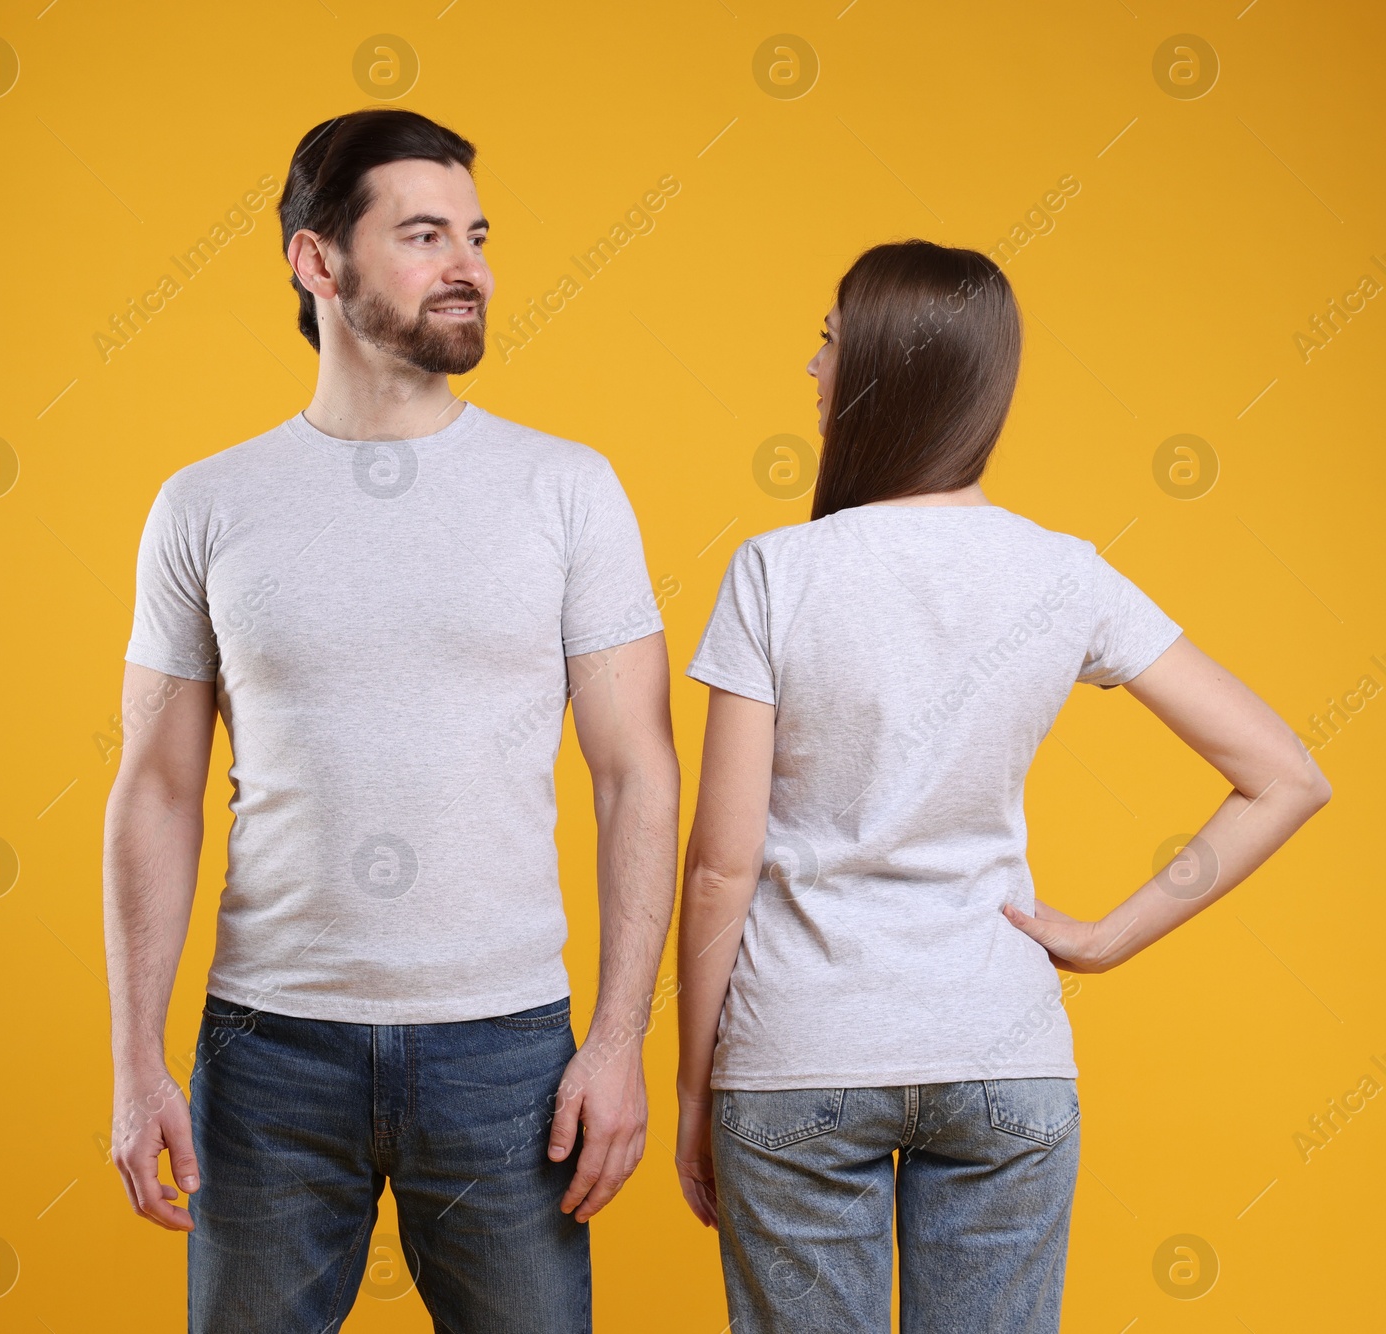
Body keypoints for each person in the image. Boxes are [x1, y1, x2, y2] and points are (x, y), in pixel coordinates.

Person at [673, 239, 1330, 1332]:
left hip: (799, 1053)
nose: (810, 368)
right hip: (1002, 1053)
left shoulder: (778, 573)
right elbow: (1285, 776)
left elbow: (720, 864)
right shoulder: (1064, 572)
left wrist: (697, 1086)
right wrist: (1111, 935)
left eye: (828, 342)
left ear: (882, 367)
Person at [102, 107, 679, 1334]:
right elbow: (155, 785)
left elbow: (637, 771)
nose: (466, 264)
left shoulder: (567, 489)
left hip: (508, 1051)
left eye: (474, 234)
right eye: (423, 235)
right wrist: (133, 1056)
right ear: (318, 262)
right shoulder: (203, 506)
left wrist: (619, 1036)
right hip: (267, 1052)